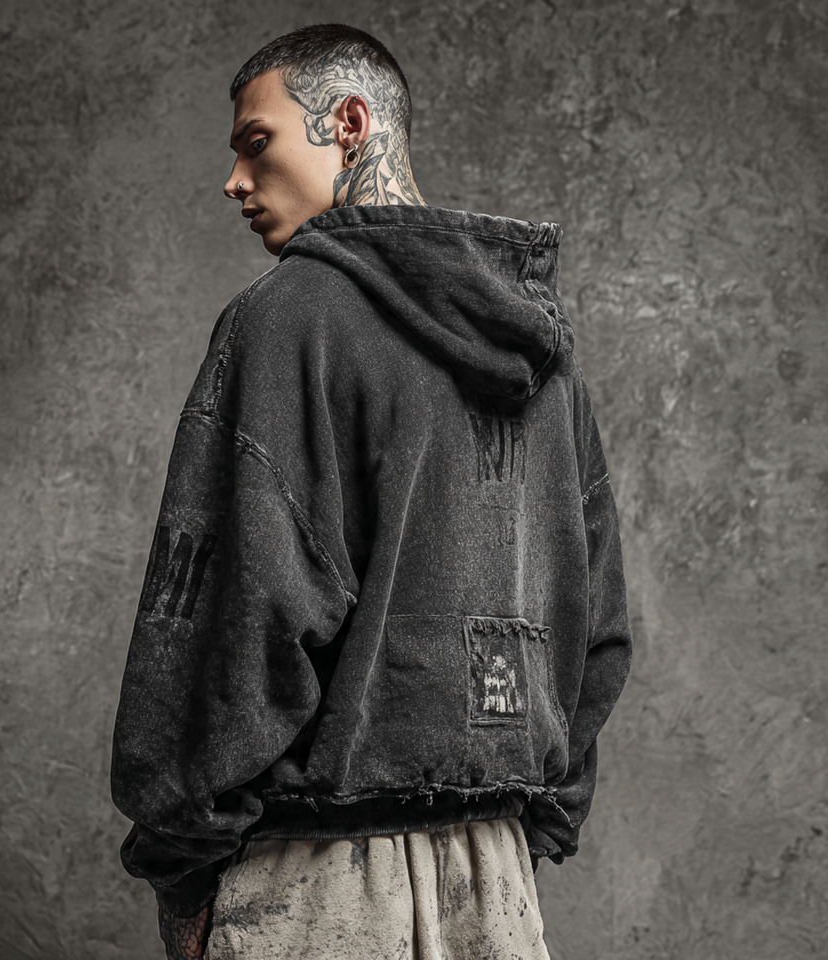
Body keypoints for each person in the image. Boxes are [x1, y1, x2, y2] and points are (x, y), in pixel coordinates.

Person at [111, 23, 631, 960]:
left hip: (313, 885)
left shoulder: (285, 320)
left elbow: (235, 616)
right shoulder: (544, 350)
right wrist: (529, 821)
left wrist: (179, 859)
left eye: (257, 142)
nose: (234, 181)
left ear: (349, 124)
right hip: (499, 885)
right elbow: (596, 625)